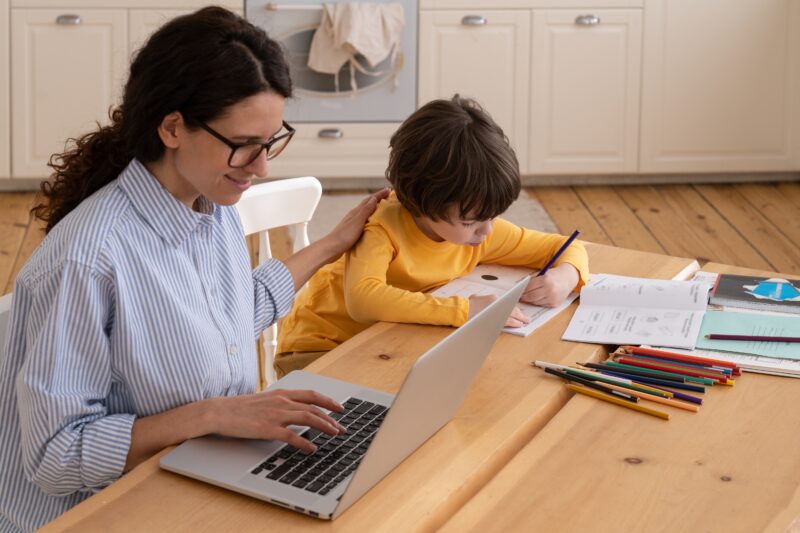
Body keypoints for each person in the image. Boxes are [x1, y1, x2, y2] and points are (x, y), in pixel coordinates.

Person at [0, 7, 389, 532]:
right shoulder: (87, 260)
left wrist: (332, 244)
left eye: (271, 140)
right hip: (95, 512)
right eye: (243, 145)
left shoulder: (213, 207)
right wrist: (212, 414)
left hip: (193, 473)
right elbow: (53, 457)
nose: (262, 167)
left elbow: (231, 316)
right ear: (172, 127)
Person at [275, 95, 590, 376]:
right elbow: (363, 299)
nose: (488, 230)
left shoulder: (478, 230)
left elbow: (562, 246)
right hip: (320, 348)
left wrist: (566, 276)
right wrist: (465, 310)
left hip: (391, 340)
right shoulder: (382, 226)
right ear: (423, 202)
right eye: (471, 222)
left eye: (493, 216)